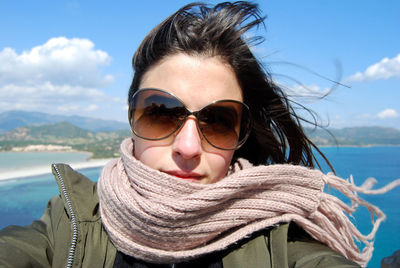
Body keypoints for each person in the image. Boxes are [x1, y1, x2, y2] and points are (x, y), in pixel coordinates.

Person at [1, 2, 398, 267]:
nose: (188, 148)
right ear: (131, 119)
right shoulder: (68, 225)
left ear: (241, 132)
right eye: (161, 114)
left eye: (219, 121)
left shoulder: (279, 242)